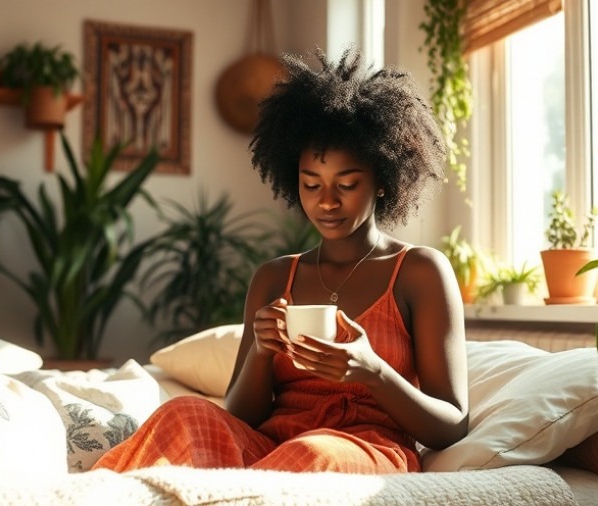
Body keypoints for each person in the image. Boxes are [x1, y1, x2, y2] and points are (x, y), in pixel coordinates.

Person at [92, 47, 468, 474]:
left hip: (365, 449)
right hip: (271, 446)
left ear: (382, 180)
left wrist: (373, 372)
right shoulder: (274, 277)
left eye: (346, 184)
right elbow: (241, 414)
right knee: (184, 413)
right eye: (311, 184)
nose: (326, 201)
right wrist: (260, 352)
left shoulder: (420, 272)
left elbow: (452, 424)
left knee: (313, 453)